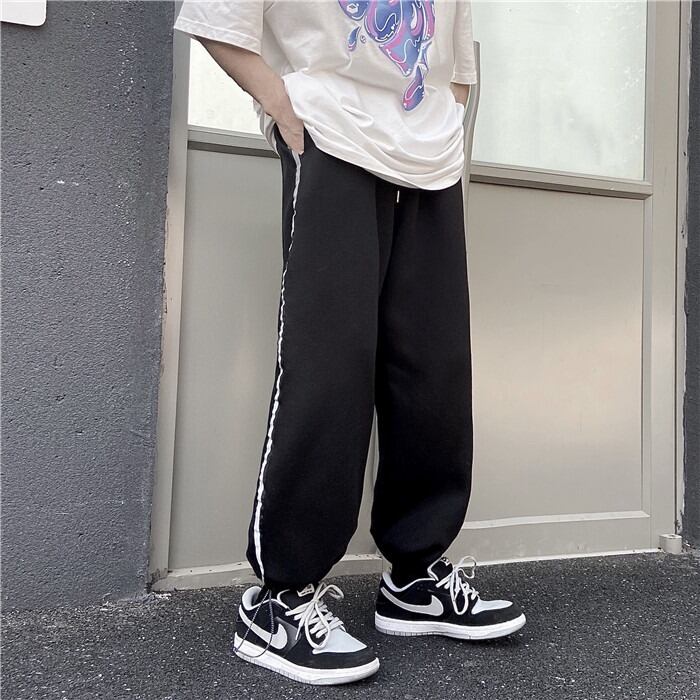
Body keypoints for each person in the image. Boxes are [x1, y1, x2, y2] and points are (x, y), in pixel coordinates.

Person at [173, 0, 526, 686]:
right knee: (329, 362)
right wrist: (286, 109)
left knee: (434, 368)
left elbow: (457, 64)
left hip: (429, 156)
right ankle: (281, 598)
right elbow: (218, 19)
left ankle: (416, 576)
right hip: (331, 135)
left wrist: (440, 126)